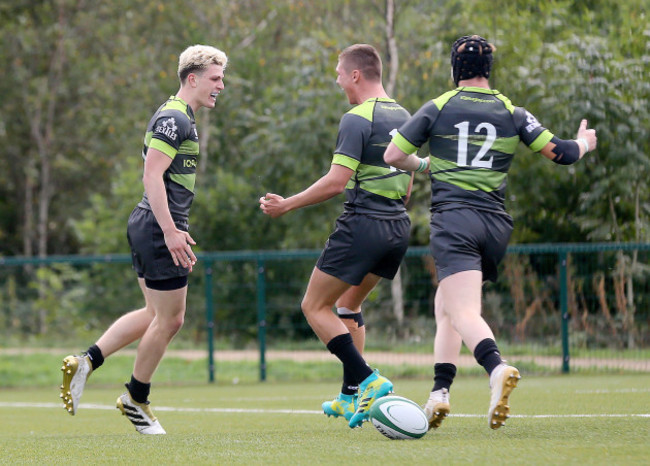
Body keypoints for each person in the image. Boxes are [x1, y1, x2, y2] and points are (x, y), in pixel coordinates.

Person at [384, 34, 597, 430]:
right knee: (445, 305)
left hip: (455, 220)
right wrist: (584, 142)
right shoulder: (512, 111)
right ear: (488, 70)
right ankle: (439, 393)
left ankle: (495, 367)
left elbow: (393, 155)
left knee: (463, 310)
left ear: (454, 69)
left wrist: (428, 165)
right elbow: (564, 154)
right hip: (496, 225)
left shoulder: (439, 106)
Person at [59, 44, 228, 435]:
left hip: (150, 222)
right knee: (172, 318)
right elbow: (152, 177)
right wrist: (171, 231)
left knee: (155, 314)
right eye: (215, 78)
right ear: (193, 78)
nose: (221, 85)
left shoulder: (181, 115)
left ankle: (86, 361)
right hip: (157, 224)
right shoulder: (174, 118)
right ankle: (136, 398)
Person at [259, 44, 418, 428]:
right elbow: (409, 187)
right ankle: (350, 397)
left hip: (364, 225)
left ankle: (368, 378)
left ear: (356, 75)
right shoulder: (406, 116)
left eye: (338, 73)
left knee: (314, 307)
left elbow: (336, 182)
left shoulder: (356, 118)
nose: (337, 80)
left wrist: (287, 205)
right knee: (348, 306)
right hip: (397, 227)